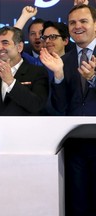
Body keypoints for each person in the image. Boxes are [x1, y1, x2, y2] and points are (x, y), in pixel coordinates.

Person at [39, 4, 96, 215]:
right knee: (78, 206)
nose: (77, 26)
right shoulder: (62, 61)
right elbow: (59, 107)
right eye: (72, 23)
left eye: (83, 21)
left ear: (95, 25)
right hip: (74, 147)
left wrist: (94, 79)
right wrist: (59, 76)